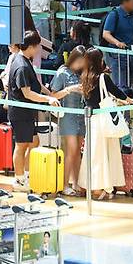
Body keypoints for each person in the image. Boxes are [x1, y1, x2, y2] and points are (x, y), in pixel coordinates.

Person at [78, 48, 133, 199]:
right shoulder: (103, 77)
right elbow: (116, 91)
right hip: (104, 119)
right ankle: (101, 188)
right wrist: (129, 100)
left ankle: (91, 186)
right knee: (106, 153)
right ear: (100, 60)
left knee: (94, 153)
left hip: (91, 119)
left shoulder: (84, 76)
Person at [8, 30, 61, 192]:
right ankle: (18, 179)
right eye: (38, 46)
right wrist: (48, 99)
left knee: (34, 142)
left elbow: (33, 87)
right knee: (21, 145)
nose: (39, 49)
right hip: (20, 112)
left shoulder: (23, 59)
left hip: (27, 111)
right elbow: (27, 93)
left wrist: (48, 94)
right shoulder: (22, 65)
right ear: (31, 46)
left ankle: (27, 173)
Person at [50, 46, 85, 196]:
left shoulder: (81, 73)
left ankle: (76, 182)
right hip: (67, 116)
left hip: (80, 115)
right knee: (70, 150)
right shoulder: (62, 73)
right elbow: (53, 95)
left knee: (77, 151)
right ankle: (64, 184)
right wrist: (70, 90)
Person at [102, 0, 133, 91]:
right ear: (125, 2)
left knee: (129, 85)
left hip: (130, 54)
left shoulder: (132, 16)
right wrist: (117, 43)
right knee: (120, 85)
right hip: (117, 56)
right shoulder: (114, 15)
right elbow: (106, 34)